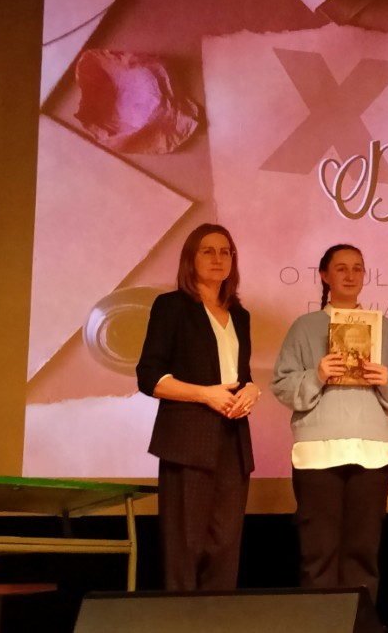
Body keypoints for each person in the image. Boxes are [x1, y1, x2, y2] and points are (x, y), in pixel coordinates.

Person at [272, 244, 388, 602]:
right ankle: (321, 624)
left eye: (357, 268)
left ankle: (360, 623)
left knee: (363, 553)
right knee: (318, 552)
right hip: (319, 453)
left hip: (372, 452)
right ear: (324, 275)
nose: (350, 275)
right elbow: (282, 385)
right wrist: (317, 375)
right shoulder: (305, 327)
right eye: (342, 268)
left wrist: (385, 379)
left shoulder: (382, 326)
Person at [136, 223, 260, 591]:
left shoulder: (240, 314)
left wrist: (251, 389)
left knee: (225, 547)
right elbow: (149, 377)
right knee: (185, 548)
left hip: (233, 442)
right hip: (187, 441)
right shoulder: (171, 306)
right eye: (208, 250)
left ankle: (217, 618)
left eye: (225, 252)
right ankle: (180, 619)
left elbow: (240, 374)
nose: (218, 258)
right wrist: (206, 395)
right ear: (190, 258)